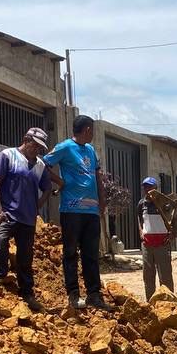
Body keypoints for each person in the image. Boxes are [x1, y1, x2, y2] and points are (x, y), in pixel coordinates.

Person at [45, 115, 113, 312]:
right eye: (92, 129)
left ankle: (94, 295)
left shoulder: (91, 150)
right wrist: (60, 182)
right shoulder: (65, 147)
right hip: (71, 210)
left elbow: (97, 178)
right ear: (87, 130)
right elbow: (44, 164)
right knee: (70, 253)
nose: (92, 133)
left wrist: (102, 203)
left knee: (91, 255)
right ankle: (73, 295)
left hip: (91, 213)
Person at [0, 127, 51, 311]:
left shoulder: (40, 165)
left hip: (28, 219)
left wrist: (38, 205)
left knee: (26, 255)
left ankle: (27, 292)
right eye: (35, 145)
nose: (37, 150)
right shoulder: (8, 155)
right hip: (8, 213)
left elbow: (47, 187)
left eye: (40, 148)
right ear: (26, 139)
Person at [138, 177, 174, 300]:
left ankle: (168, 302)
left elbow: (173, 220)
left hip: (162, 244)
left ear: (156, 188)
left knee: (165, 276)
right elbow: (139, 219)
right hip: (147, 245)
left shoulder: (165, 204)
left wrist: (171, 235)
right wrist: (141, 232)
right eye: (145, 187)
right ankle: (151, 302)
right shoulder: (141, 204)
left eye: (150, 187)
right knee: (148, 275)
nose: (147, 189)